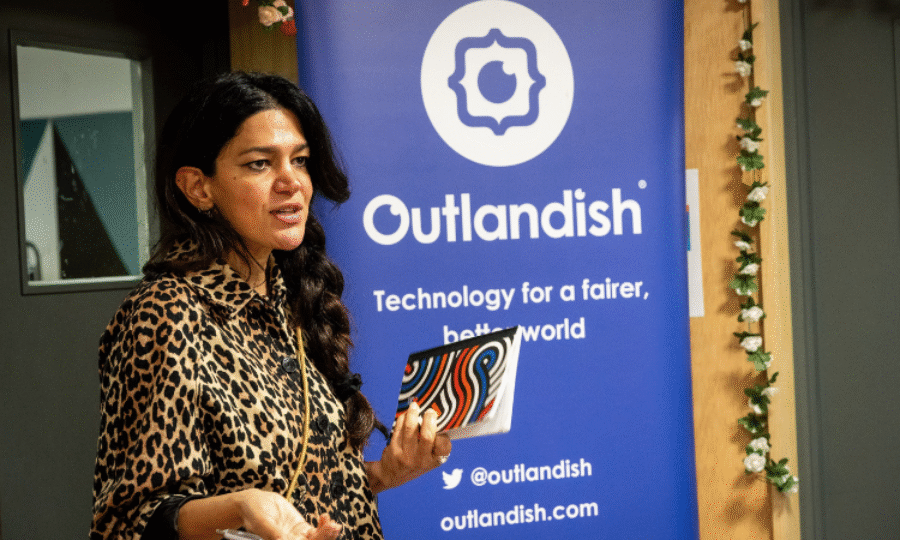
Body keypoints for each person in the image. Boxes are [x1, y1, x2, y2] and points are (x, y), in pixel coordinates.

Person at [90, 71, 451, 540]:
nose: (292, 183)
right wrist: (240, 507)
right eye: (261, 164)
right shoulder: (165, 313)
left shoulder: (292, 298)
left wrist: (385, 473)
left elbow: (307, 488)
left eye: (299, 161)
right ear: (198, 187)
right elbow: (128, 521)